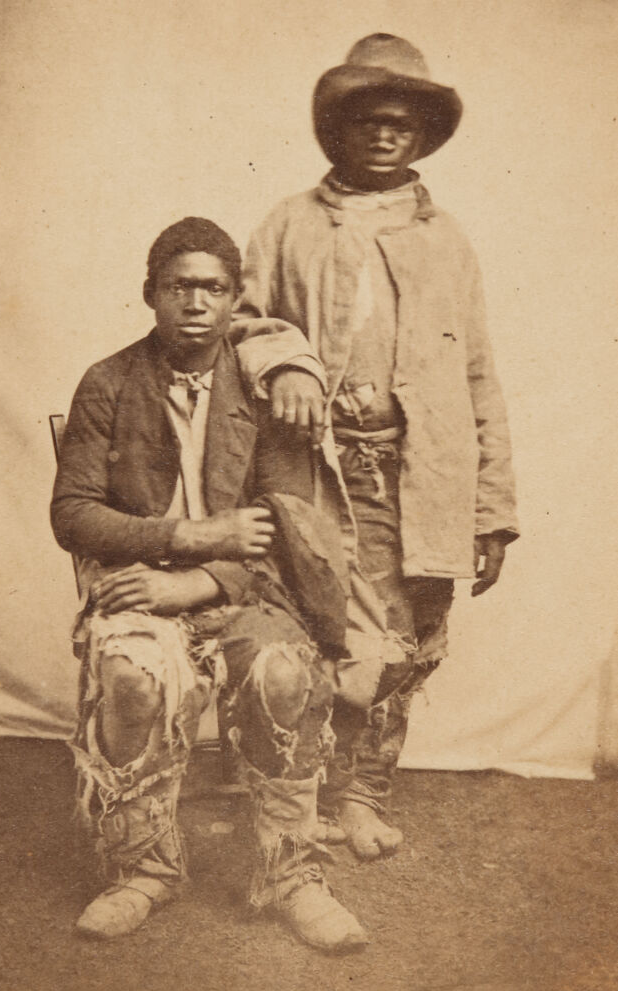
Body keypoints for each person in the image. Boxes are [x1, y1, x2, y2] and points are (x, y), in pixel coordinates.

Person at [50, 216, 369, 952]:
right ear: (150, 295)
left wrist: (199, 580)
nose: (195, 301)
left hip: (247, 588)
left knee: (282, 673)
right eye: (178, 286)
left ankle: (292, 876)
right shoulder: (107, 381)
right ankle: (144, 869)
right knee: (133, 674)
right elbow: (72, 515)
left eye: (213, 287)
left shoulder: (265, 387)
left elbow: (286, 522)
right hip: (140, 583)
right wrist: (180, 539)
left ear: (235, 301)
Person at [237, 34, 519, 862]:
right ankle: (302, 794)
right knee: (317, 626)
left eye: (402, 122)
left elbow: (476, 373)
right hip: (311, 467)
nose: (386, 134)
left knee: (404, 637)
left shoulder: (446, 238)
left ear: (422, 135)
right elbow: (242, 321)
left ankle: (361, 794)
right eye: (369, 120)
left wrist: (491, 508)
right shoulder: (289, 223)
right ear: (340, 128)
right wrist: (287, 359)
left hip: (418, 473)